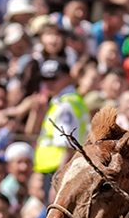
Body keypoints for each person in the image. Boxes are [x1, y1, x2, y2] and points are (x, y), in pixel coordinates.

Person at [32, 58, 88, 199]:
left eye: (54, 79)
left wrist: (58, 179)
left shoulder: (66, 105)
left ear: (68, 78)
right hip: (53, 169)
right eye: (45, 79)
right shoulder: (64, 101)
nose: (48, 83)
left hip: (57, 170)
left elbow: (69, 145)